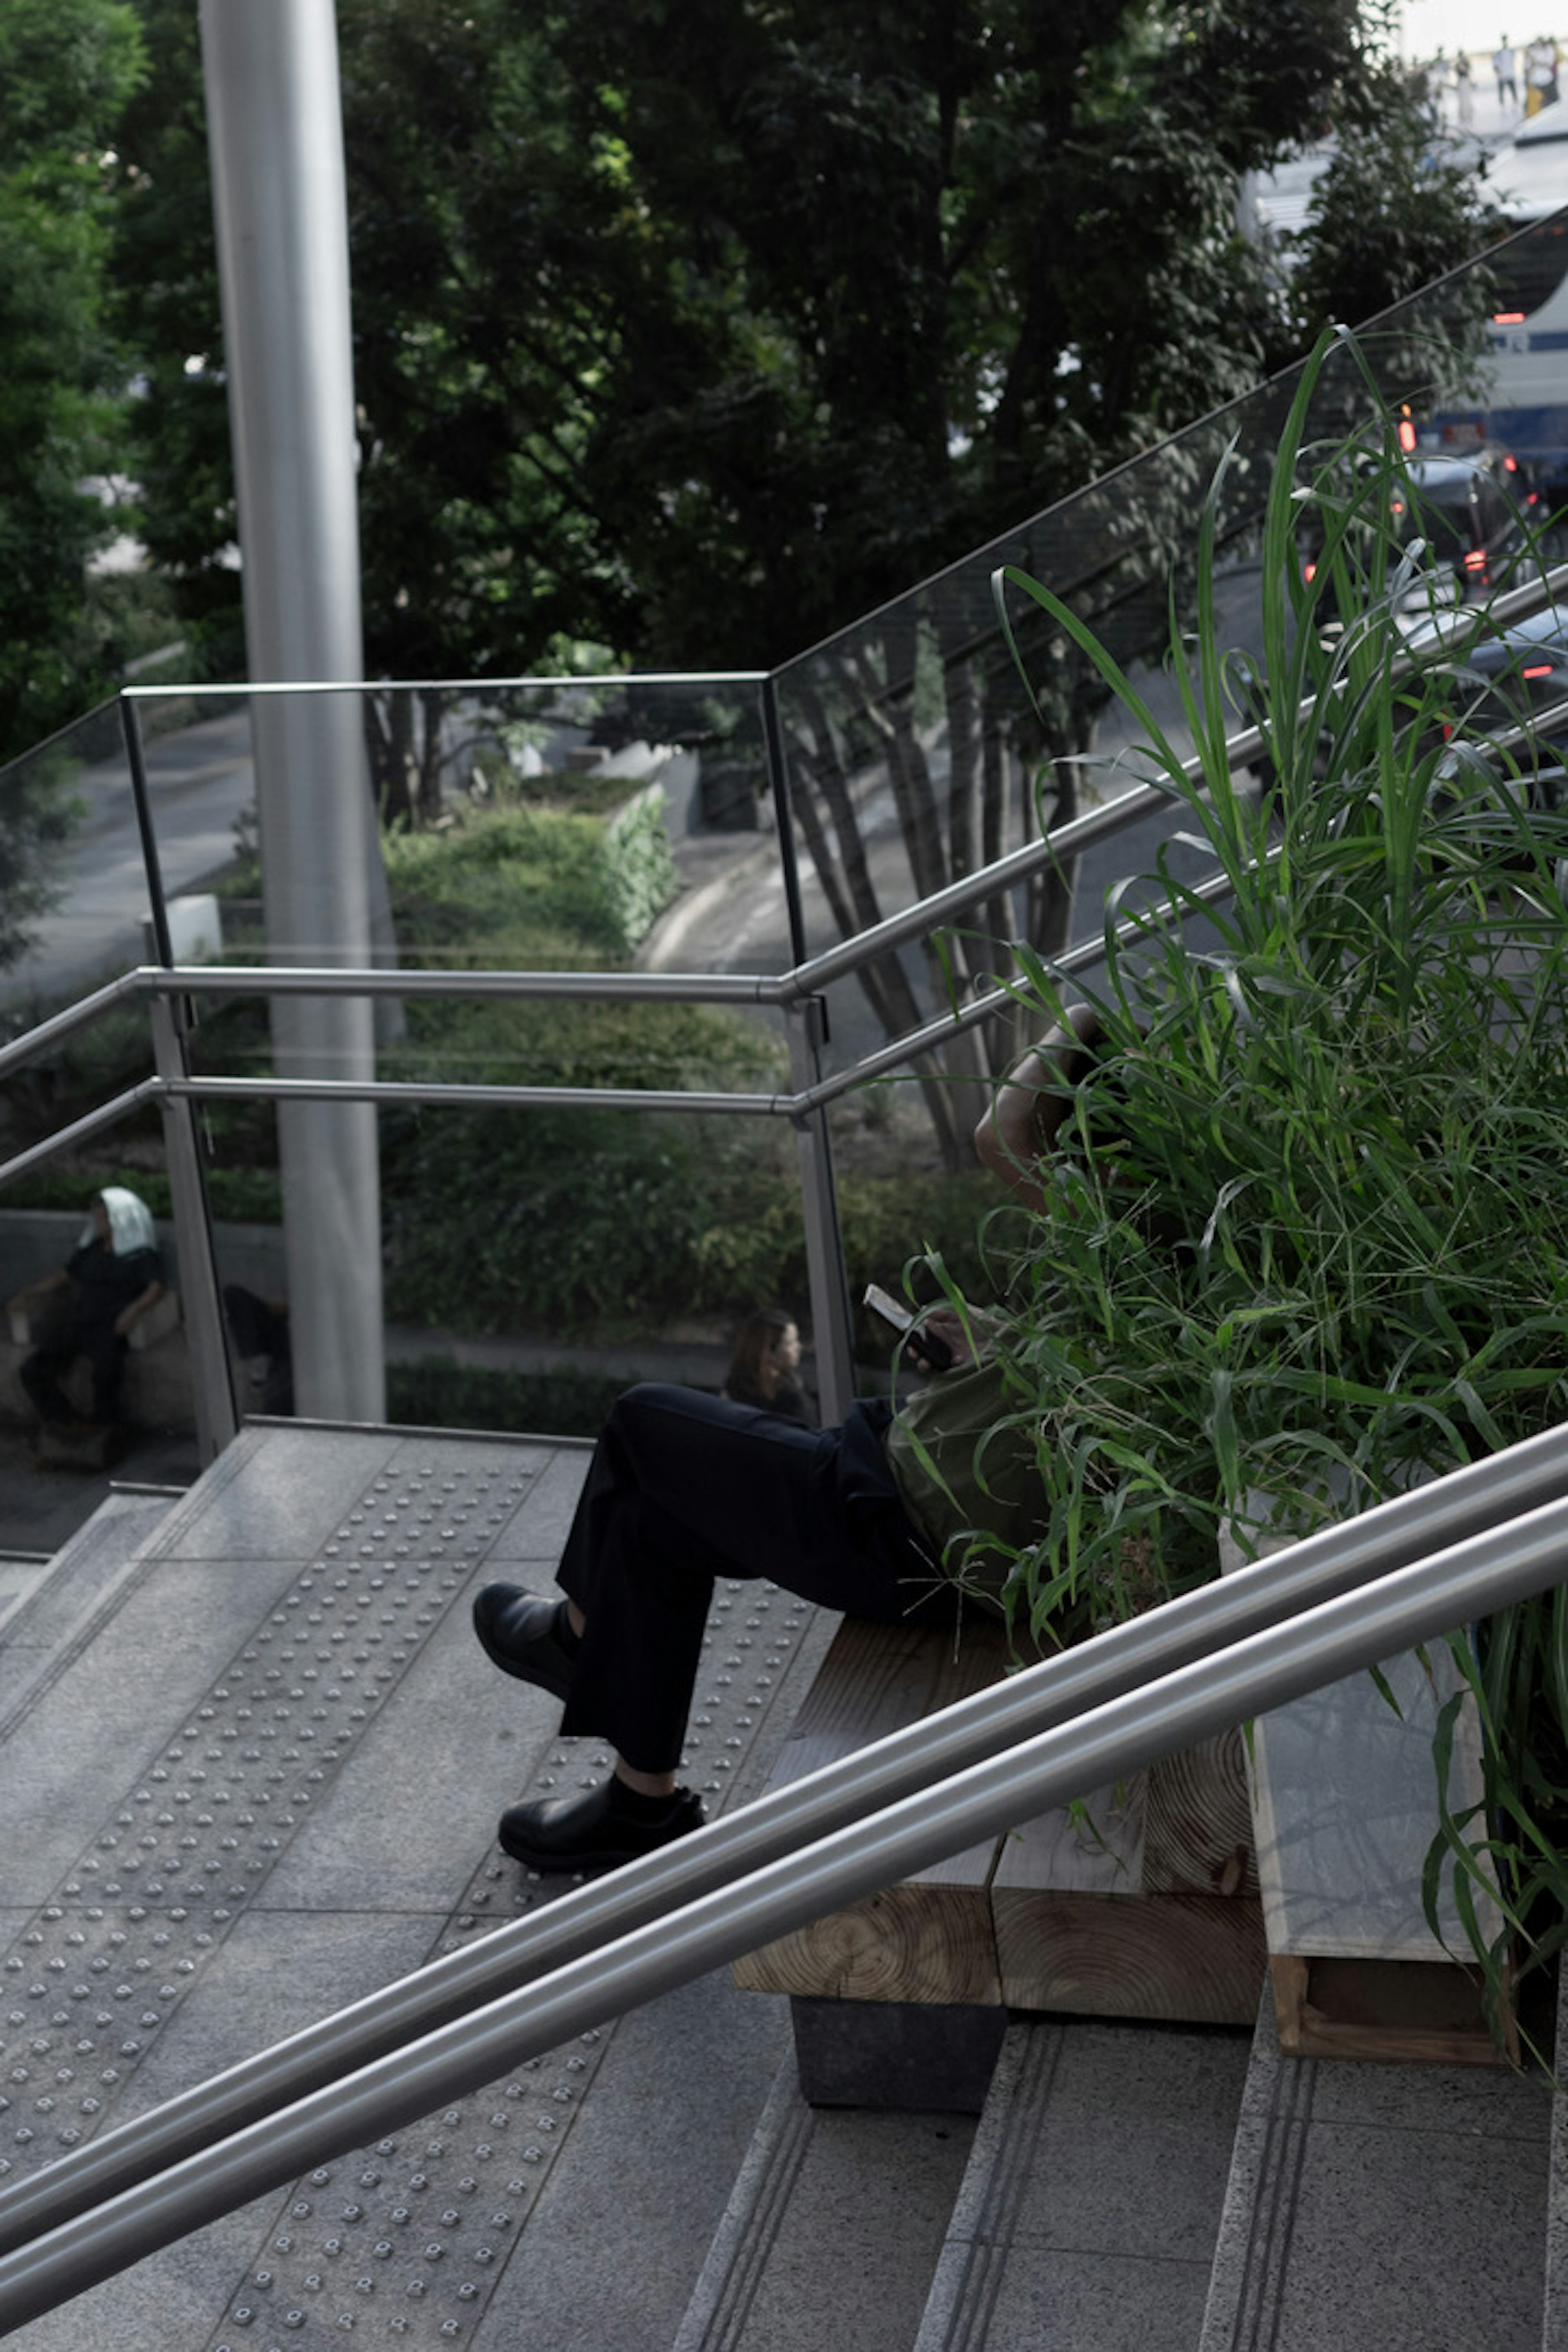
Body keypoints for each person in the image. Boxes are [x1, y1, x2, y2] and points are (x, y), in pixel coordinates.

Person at [470, 1009, 1106, 1875]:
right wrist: (990, 1342)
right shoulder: (1160, 1268)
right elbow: (1079, 1375)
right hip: (908, 1499)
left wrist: (1088, 1010)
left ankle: (583, 1640)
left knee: (643, 1424)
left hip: (902, 1528)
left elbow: (1002, 1131)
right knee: (654, 1516)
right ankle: (638, 1798)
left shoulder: (1148, 1242)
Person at [8, 1186, 164, 1435]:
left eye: (103, 1217)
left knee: (106, 1373)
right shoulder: (91, 1250)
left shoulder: (140, 1257)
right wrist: (28, 1295)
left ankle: (102, 1428)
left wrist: (132, 1312)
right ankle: (65, 1422)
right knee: (33, 1369)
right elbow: (63, 1277)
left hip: (109, 1327)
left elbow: (155, 1288)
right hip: (79, 1320)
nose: (98, 1223)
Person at [720, 1307, 813, 1424]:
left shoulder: (794, 1386)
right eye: (790, 1343)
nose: (799, 1347)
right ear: (768, 1350)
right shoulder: (736, 1390)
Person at [1496, 36, 1519, 106]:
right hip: (1502, 76)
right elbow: (1497, 65)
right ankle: (1502, 105)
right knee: (1502, 93)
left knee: (1513, 91)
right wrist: (1499, 73)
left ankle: (1516, 103)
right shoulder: (1499, 53)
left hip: (1510, 74)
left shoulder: (1511, 52)